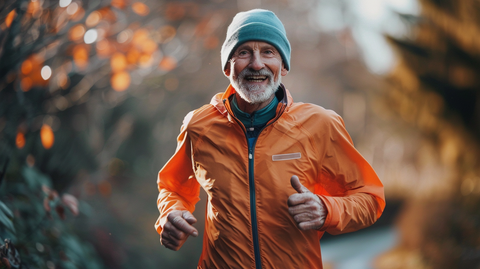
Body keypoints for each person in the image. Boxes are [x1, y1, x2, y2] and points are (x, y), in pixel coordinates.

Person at [155, 9, 385, 269]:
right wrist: (171, 214)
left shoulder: (321, 125)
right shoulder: (198, 126)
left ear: (283, 66)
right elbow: (172, 187)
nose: (256, 64)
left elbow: (370, 198)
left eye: (268, 52)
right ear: (227, 66)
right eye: (244, 52)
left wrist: (326, 209)